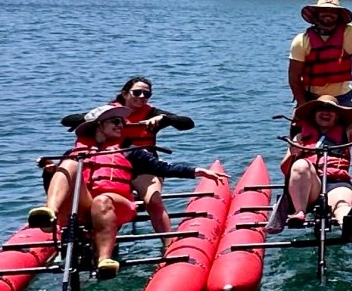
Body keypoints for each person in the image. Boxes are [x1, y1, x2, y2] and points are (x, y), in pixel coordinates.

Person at [30, 104, 224, 279]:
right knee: (69, 164)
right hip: (83, 206)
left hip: (116, 204)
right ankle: (50, 214)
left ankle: (105, 260)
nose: (121, 125)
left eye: (122, 122)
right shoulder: (77, 153)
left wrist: (194, 171)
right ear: (99, 125)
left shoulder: (130, 151)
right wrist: (49, 172)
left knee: (103, 200)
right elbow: (56, 185)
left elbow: (161, 168)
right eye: (115, 121)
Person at [56, 76, 195, 233]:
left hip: (143, 165)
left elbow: (188, 123)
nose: (142, 97)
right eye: (137, 93)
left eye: (146, 94)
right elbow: (67, 121)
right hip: (111, 164)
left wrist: (166, 118)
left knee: (153, 201)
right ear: (125, 93)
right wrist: (98, 118)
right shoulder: (108, 113)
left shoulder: (154, 114)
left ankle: (168, 244)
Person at [274, 91, 352, 235]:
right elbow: (285, 168)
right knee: (301, 165)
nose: (326, 113)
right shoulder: (301, 136)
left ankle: (346, 222)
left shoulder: (347, 134)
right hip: (310, 187)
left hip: (337, 183)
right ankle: (299, 212)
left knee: (341, 203)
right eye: (322, 109)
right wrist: (293, 153)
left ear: (337, 116)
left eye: (331, 111)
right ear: (314, 114)